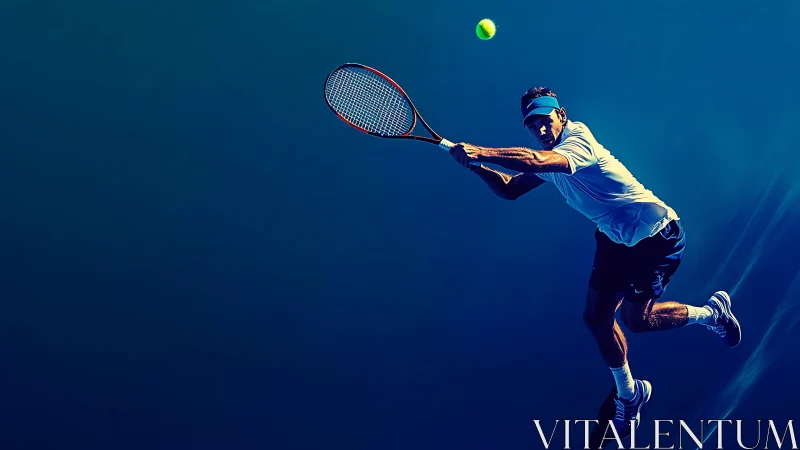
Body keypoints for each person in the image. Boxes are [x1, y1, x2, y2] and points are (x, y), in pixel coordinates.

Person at [448, 87, 742, 438]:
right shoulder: (549, 159)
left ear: (561, 115)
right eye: (532, 125)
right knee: (596, 319)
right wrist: (477, 166)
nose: (540, 129)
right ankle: (630, 394)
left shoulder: (578, 139)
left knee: (636, 321)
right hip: (614, 239)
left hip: (655, 236)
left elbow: (537, 161)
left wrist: (481, 150)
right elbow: (511, 188)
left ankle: (712, 314)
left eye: (545, 120)